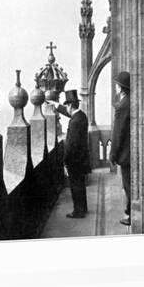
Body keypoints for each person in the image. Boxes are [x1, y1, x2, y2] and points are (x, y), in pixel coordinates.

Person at [48, 90, 91, 218]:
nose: (66, 109)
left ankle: (78, 211)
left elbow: (71, 144)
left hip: (75, 160)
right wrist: (56, 104)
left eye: (66, 106)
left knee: (75, 186)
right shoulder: (81, 116)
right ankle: (83, 208)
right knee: (80, 185)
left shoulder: (75, 121)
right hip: (81, 158)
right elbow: (68, 113)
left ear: (70, 106)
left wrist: (65, 161)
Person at [110, 71, 131, 226]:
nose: (115, 87)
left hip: (125, 154)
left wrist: (113, 155)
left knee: (128, 185)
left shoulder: (122, 106)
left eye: (117, 84)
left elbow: (118, 133)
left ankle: (131, 216)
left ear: (121, 88)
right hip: (130, 152)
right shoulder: (128, 102)